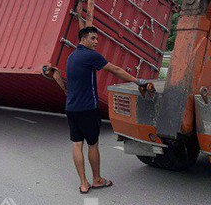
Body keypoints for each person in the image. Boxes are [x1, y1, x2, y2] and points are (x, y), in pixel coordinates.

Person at [64, 26, 153, 194]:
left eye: (97, 39)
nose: (96, 42)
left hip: (71, 108)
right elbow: (115, 70)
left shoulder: (71, 57)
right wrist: (138, 81)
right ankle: (97, 180)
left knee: (77, 144)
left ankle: (83, 183)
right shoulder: (90, 56)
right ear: (83, 39)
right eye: (92, 38)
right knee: (92, 144)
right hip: (87, 108)